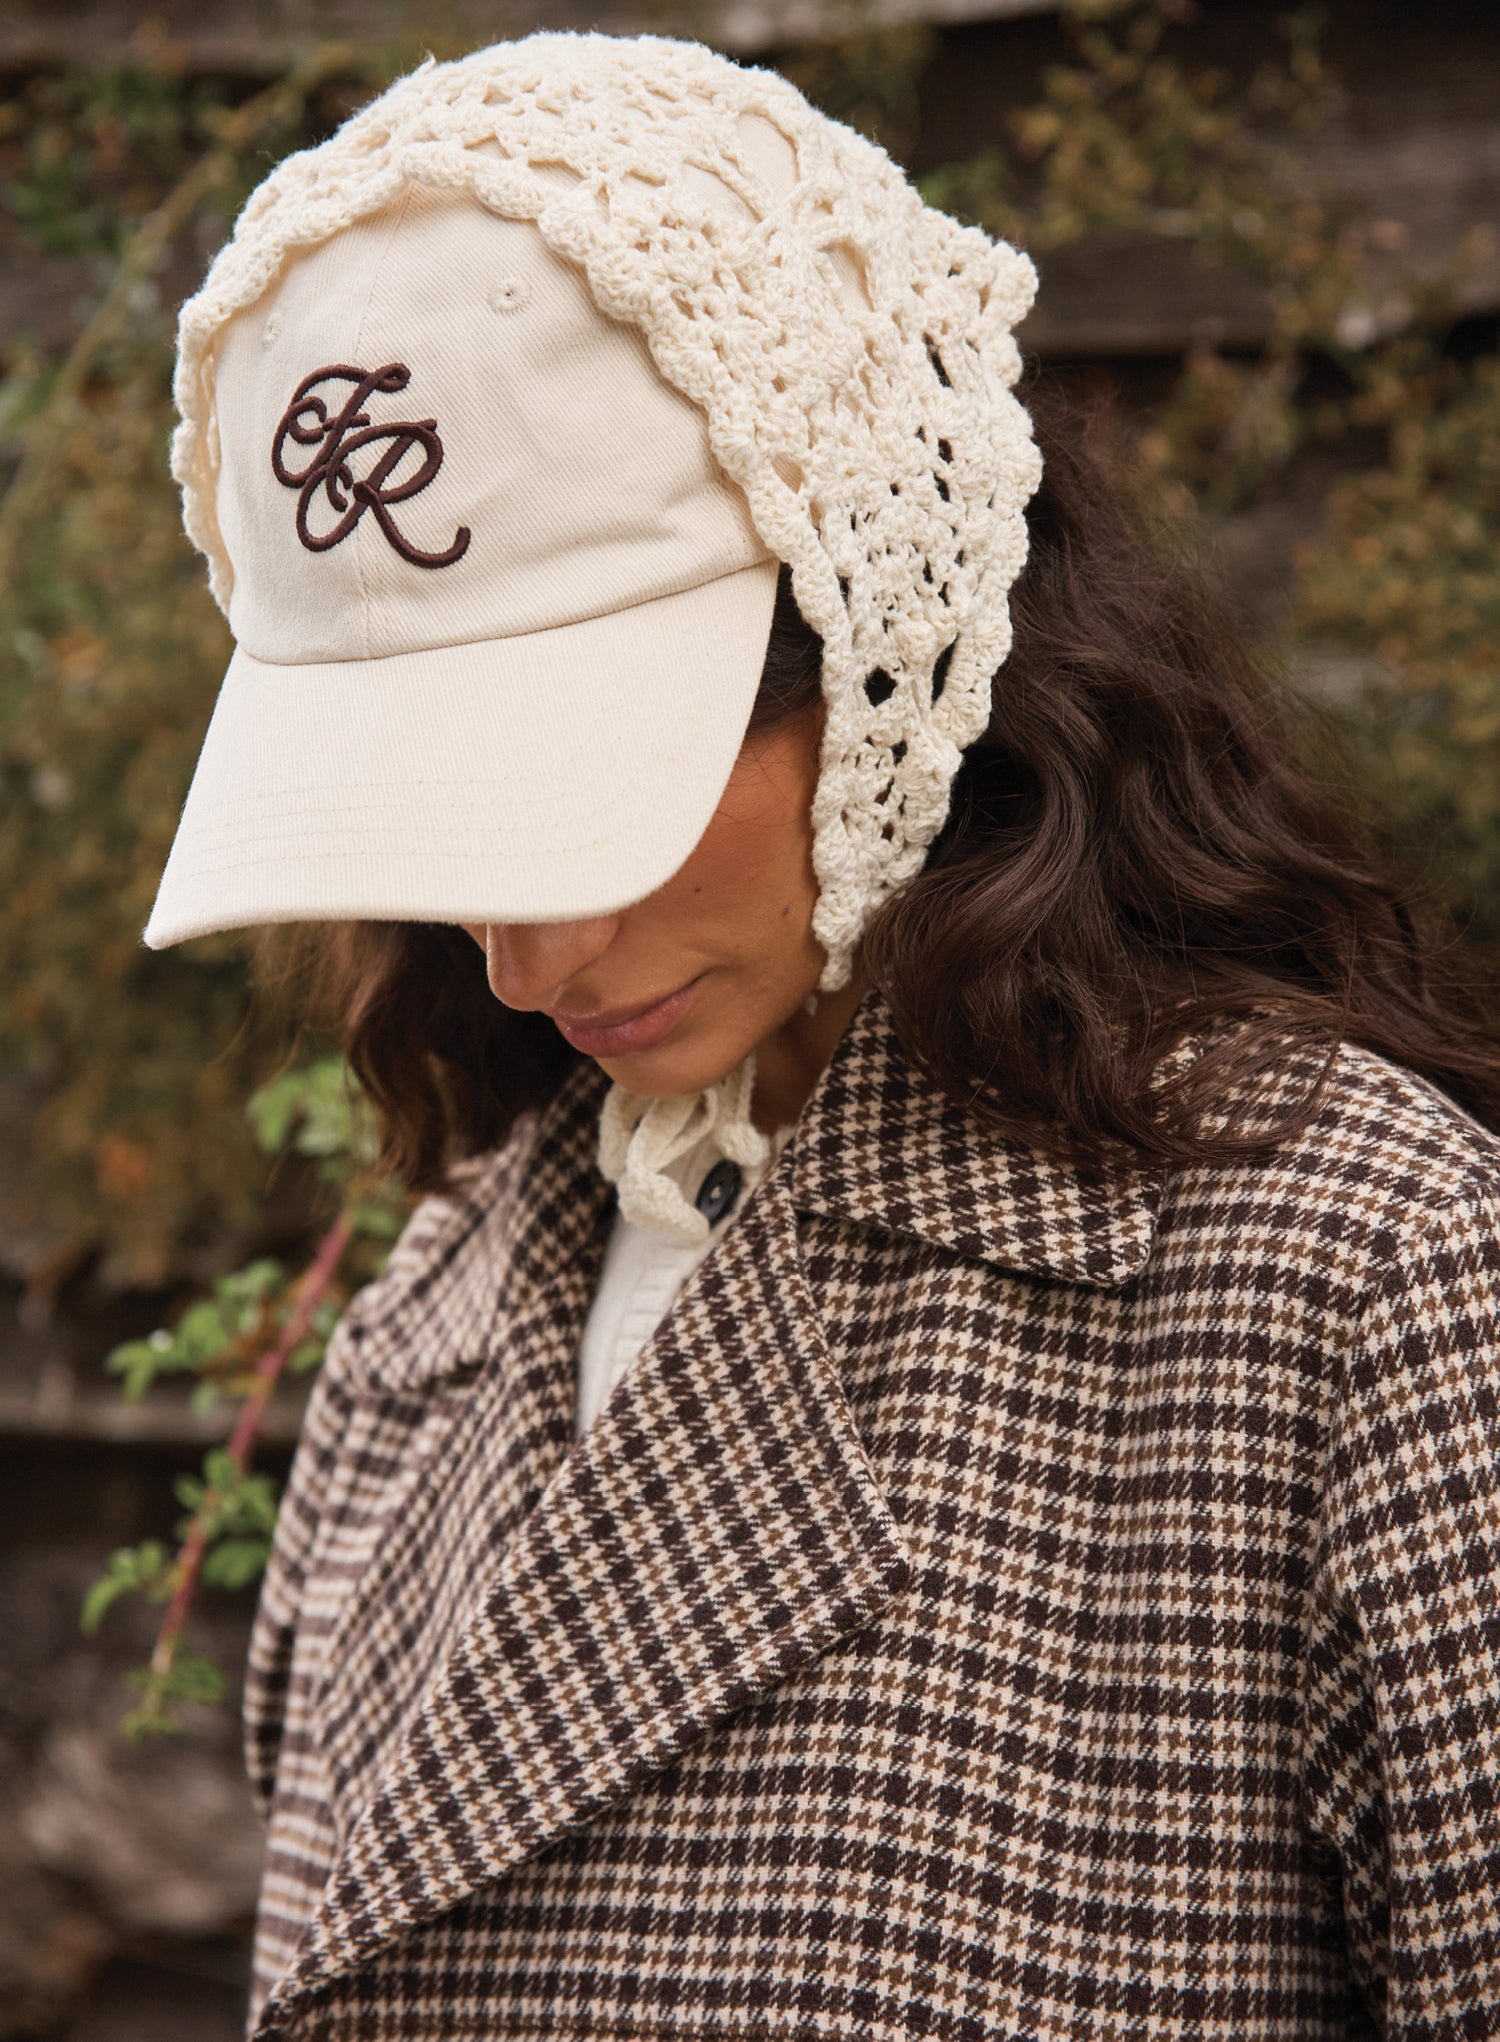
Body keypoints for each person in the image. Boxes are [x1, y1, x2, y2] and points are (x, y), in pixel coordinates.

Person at [145, 31, 1500, 2042]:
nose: (522, 957)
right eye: (441, 812)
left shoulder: (1342, 1280)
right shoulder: (429, 1332)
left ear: (879, 642)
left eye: (598, 785)